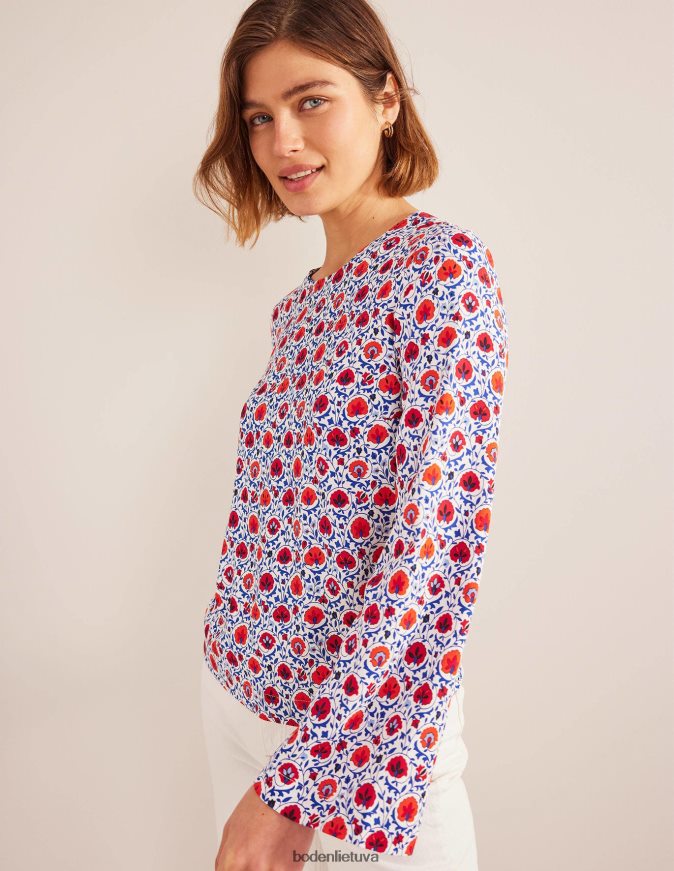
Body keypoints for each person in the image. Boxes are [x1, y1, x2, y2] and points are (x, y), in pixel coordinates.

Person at [193, 1, 510, 868]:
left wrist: (302, 783)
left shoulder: (443, 272)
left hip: (356, 752)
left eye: (311, 101)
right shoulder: (299, 308)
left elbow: (433, 552)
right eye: (259, 118)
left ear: (386, 101)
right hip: (237, 700)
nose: (283, 142)